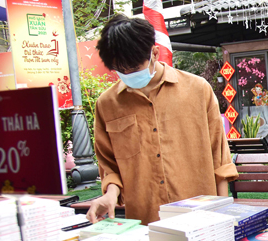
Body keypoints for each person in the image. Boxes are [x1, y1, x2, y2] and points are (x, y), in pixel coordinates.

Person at [86, 15, 238, 225]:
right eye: (121, 70)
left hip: (203, 219)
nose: (128, 74)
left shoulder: (197, 89)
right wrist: (110, 194)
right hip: (146, 221)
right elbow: (109, 165)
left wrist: (223, 216)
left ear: (154, 53)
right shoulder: (107, 104)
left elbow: (219, 158)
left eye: (134, 68)